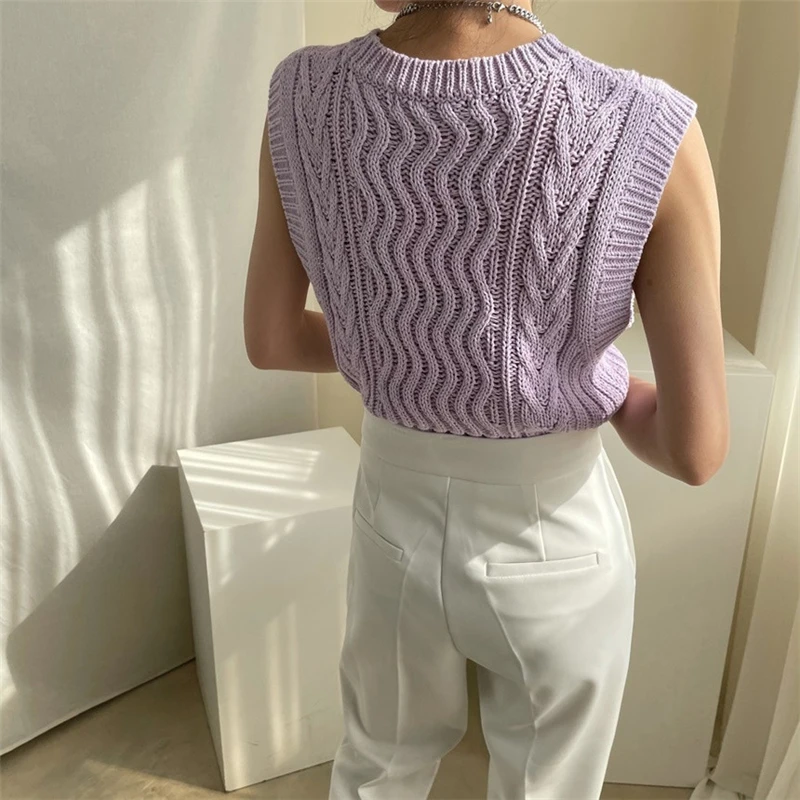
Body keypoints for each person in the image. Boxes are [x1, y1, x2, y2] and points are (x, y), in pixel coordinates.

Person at [243, 1, 729, 797]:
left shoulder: (302, 94)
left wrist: (401, 349)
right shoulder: (644, 125)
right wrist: (588, 380)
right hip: (556, 538)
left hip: (390, 519)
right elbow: (696, 450)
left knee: (376, 768)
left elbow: (271, 340)